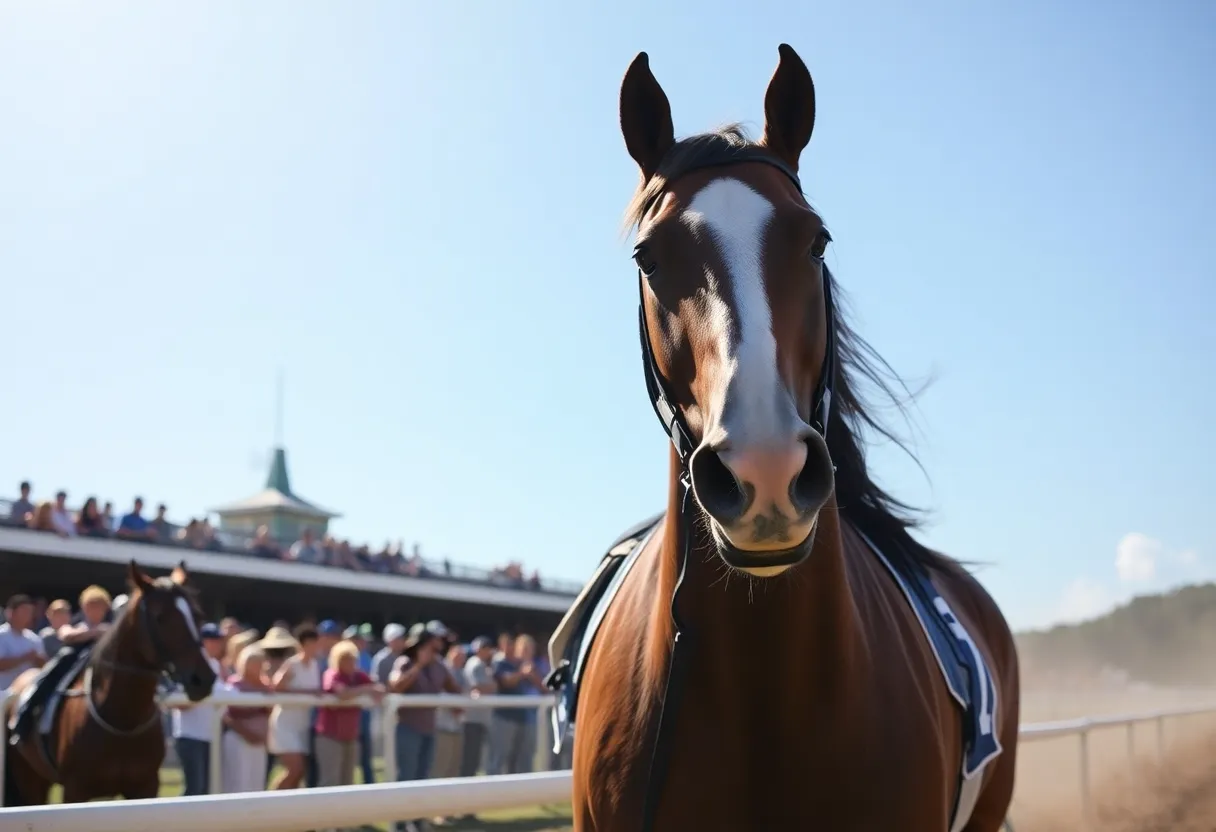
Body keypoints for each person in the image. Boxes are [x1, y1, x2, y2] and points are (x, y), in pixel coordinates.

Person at [8, 585, 111, 744]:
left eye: (99, 606)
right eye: (91, 606)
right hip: (72, 665)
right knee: (45, 680)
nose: (95, 611)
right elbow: (66, 634)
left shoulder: (110, 630)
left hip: (100, 669)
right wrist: (95, 632)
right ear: (84, 607)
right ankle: (23, 720)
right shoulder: (78, 626)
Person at [389, 622, 462, 832]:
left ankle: (417, 821)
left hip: (429, 730)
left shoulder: (439, 666)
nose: (437, 646)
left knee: (423, 778)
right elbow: (395, 686)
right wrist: (418, 666)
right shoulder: (404, 662)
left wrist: (463, 702)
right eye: (432, 643)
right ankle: (399, 824)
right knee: (406, 777)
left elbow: (454, 689)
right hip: (407, 729)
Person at [315, 639, 383, 788]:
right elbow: (342, 693)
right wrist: (364, 690)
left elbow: (379, 689)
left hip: (351, 737)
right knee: (330, 781)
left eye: (352, 659)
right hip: (330, 736)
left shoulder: (358, 676)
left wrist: (368, 690)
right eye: (345, 659)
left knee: (348, 783)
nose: (349, 663)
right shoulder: (331, 674)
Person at [171, 623, 226, 795]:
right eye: (212, 640)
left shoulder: (216, 666)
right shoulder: (189, 664)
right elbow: (179, 703)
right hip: (190, 735)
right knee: (195, 788)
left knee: (206, 789)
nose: (217, 644)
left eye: (219, 640)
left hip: (210, 736)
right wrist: (203, 694)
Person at [267, 625, 323, 790]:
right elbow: (276, 686)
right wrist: (307, 692)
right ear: (302, 644)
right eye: (310, 643)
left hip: (302, 725)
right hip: (285, 724)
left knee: (299, 773)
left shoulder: (315, 665)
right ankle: (271, 803)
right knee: (295, 769)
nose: (314, 647)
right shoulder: (292, 664)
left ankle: (286, 812)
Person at [221, 644, 271, 793]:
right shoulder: (234, 685)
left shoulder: (266, 686)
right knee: (237, 783)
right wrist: (246, 733)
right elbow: (226, 715)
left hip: (259, 743)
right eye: (253, 663)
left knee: (256, 783)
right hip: (238, 740)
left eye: (259, 663)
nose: (257, 667)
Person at [0, 594, 46, 691]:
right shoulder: (1, 635)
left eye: (30, 612)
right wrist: (24, 658)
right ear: (11, 612)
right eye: (24, 611)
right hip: (3, 693)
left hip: (25, 695)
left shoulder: (34, 639)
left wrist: (40, 661)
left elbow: (43, 667)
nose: (28, 615)